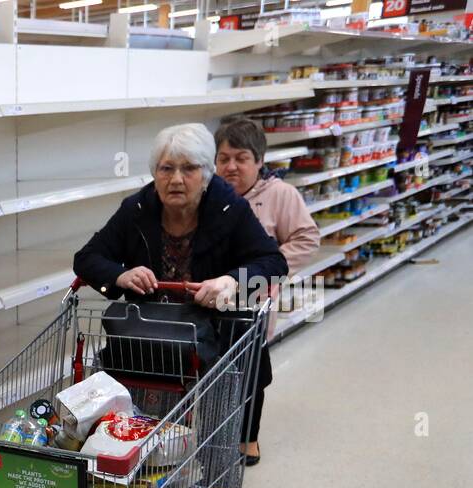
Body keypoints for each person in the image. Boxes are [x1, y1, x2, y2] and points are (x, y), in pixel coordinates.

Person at [73, 123, 288, 461]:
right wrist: (121, 275)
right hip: (152, 332)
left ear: (206, 174)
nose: (176, 179)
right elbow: (86, 259)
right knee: (138, 408)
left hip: (216, 329)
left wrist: (230, 281)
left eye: (189, 169)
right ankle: (143, 461)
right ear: (155, 173)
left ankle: (218, 465)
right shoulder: (137, 210)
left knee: (223, 400)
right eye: (166, 168)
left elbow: (272, 261)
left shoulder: (230, 209)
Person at [215, 117, 321, 465]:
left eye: (241, 158)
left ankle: (248, 439)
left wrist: (270, 264)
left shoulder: (280, 195)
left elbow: (307, 239)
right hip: (211, 297)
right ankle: (210, 436)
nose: (231, 166)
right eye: (224, 158)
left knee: (251, 372)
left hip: (255, 300)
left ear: (259, 161)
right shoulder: (209, 195)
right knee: (210, 370)